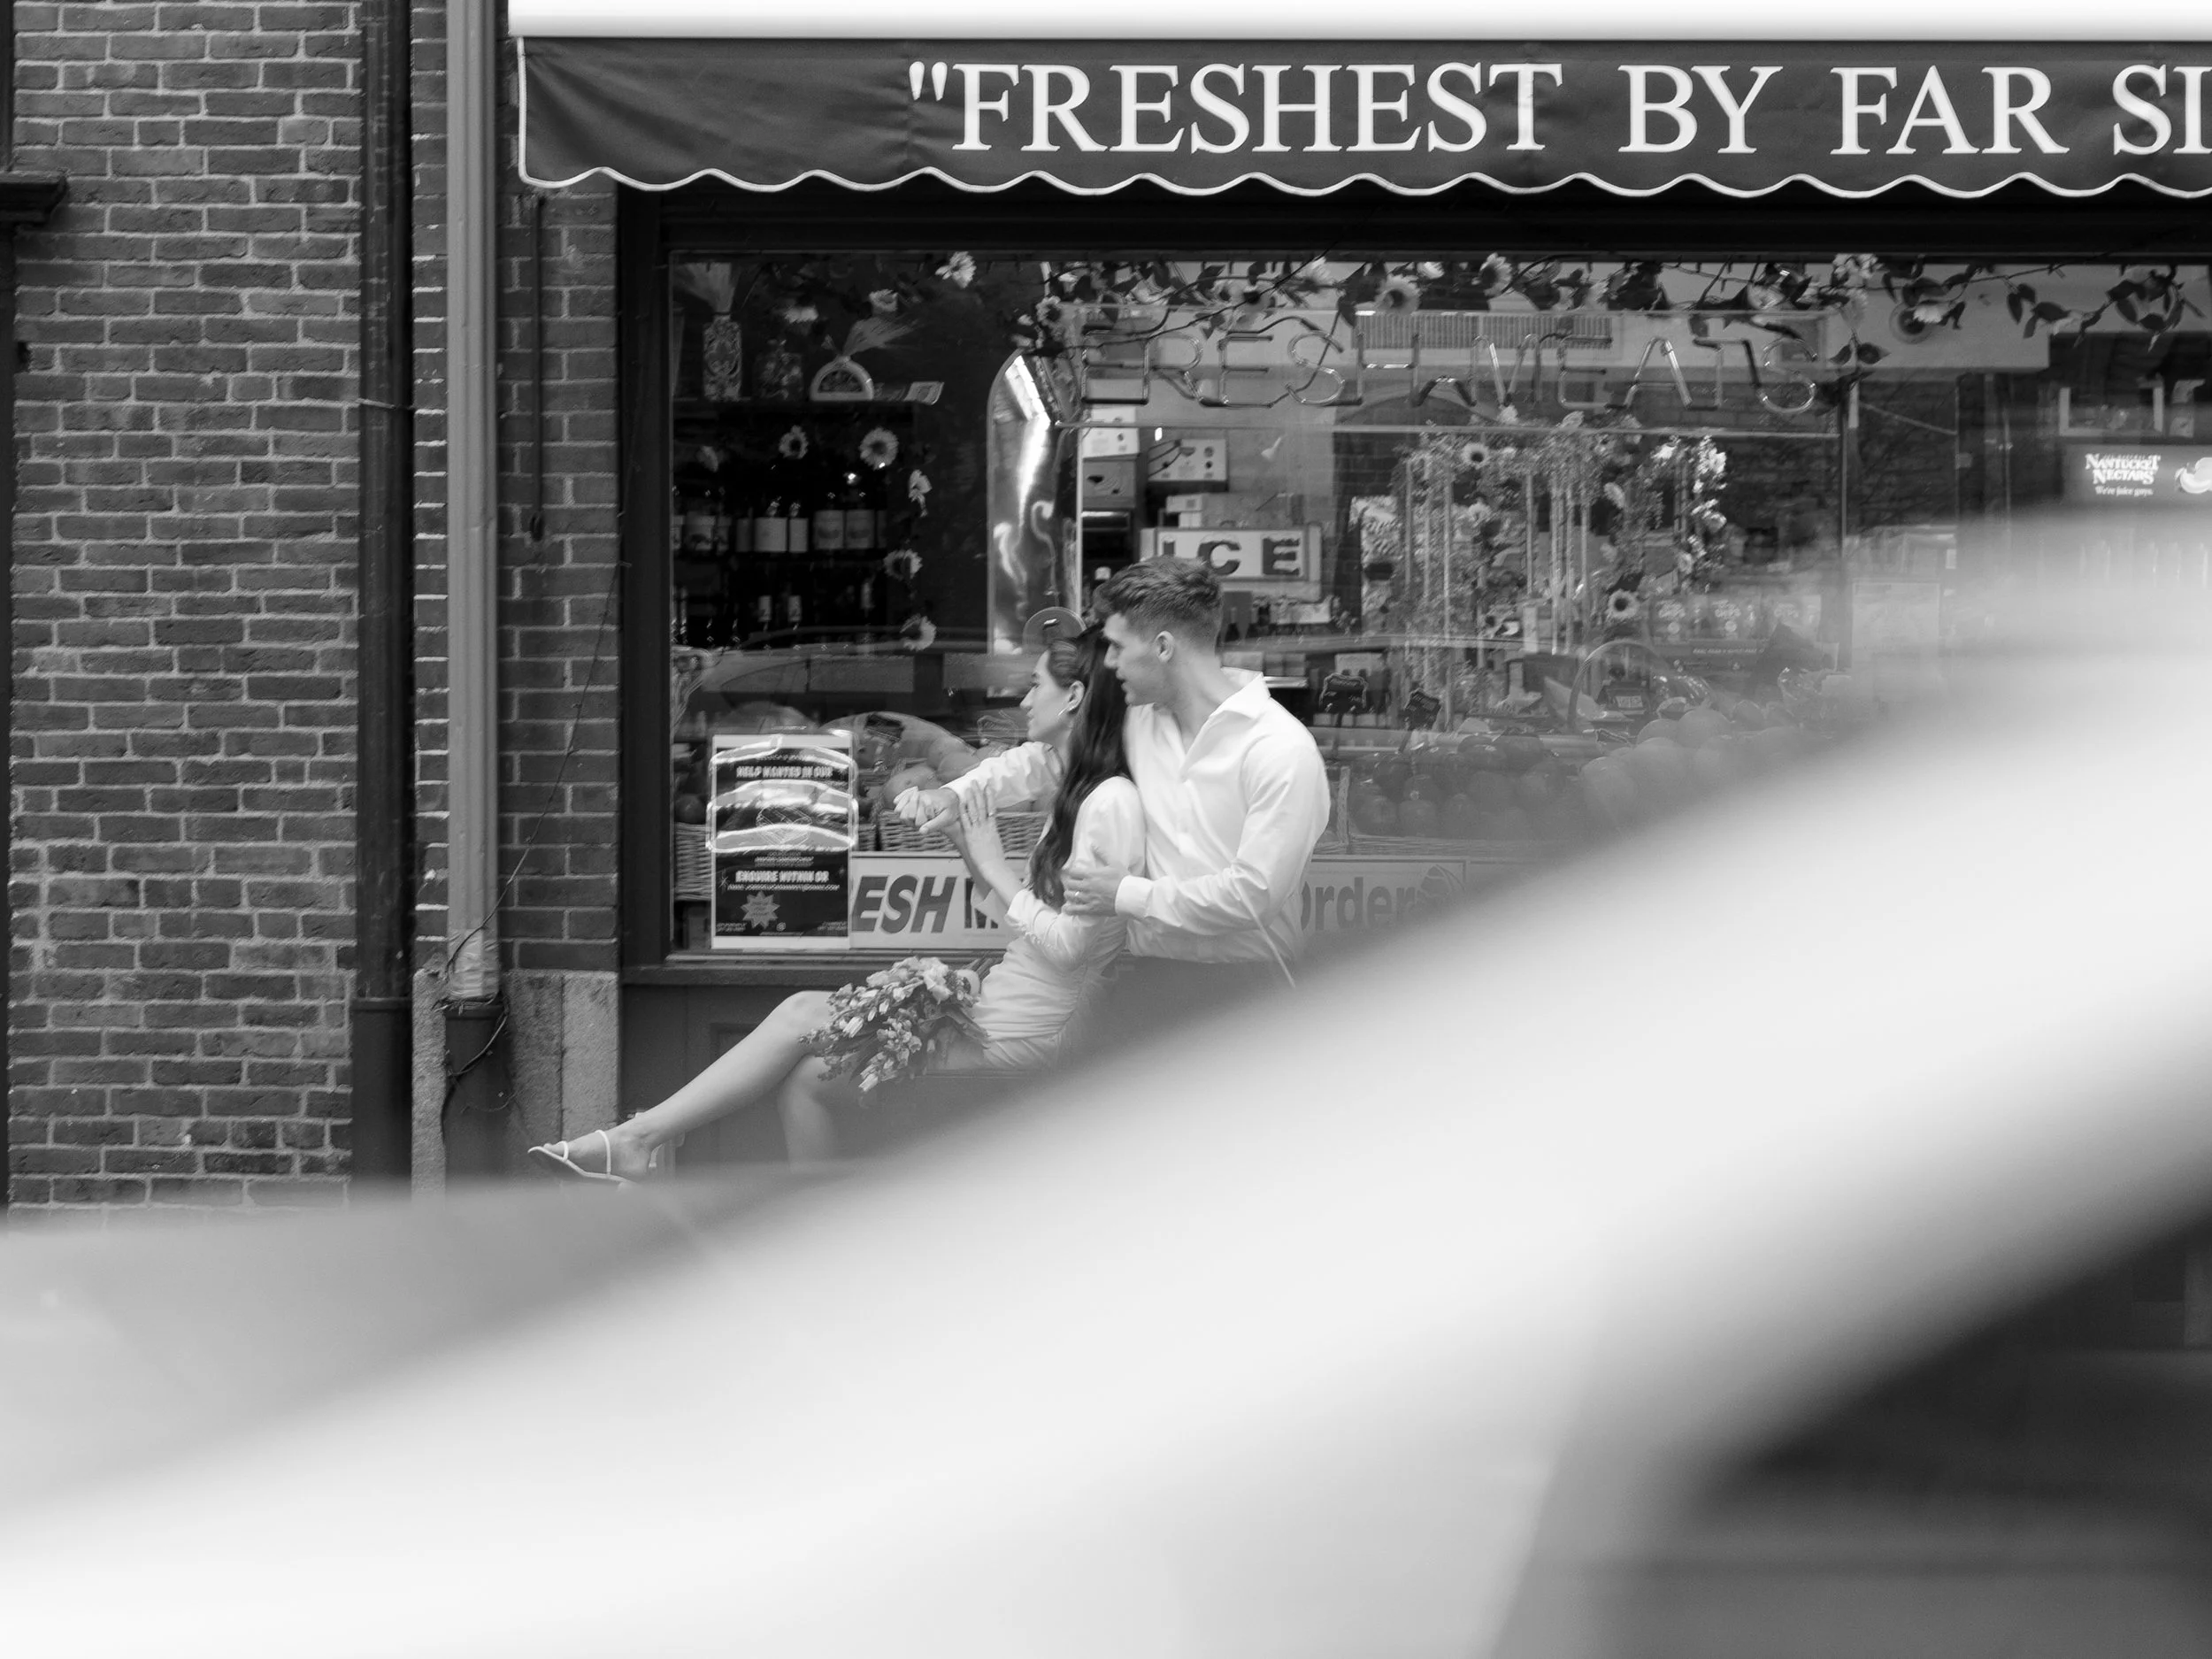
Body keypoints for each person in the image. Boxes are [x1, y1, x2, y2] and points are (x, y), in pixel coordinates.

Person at [528, 629, 1143, 1183]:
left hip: (1024, 1034)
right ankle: (804, 1231)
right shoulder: (1074, 790)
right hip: (998, 1008)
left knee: (801, 1013)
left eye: (1035, 685)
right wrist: (964, 842)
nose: (1022, 700)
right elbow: (1016, 860)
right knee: (806, 1083)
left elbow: (1072, 947)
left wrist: (989, 863)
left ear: (1074, 697)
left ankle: (639, 1138)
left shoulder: (1110, 804)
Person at [908, 559, 1330, 1041]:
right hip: (1148, 981)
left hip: (1251, 992)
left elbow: (1255, 896)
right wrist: (955, 791)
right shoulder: (1138, 723)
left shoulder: (1279, 748)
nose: (1108, 663)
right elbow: (1044, 760)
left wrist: (1126, 893)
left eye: (1118, 647)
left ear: (1164, 647)